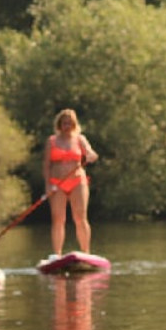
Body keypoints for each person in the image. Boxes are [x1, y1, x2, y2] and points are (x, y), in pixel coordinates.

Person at [44, 109, 98, 257]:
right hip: (57, 183)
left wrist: (91, 155)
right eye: (64, 123)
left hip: (77, 182)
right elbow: (47, 165)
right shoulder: (52, 141)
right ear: (59, 124)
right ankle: (57, 253)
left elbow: (90, 153)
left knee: (80, 217)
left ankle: (86, 251)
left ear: (74, 124)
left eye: (69, 123)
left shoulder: (80, 139)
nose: (66, 126)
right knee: (58, 219)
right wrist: (48, 186)